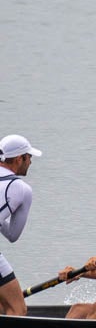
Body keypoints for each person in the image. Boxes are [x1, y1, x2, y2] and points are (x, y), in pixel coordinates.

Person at [0, 134, 41, 316]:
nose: (30, 162)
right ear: (19, 159)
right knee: (17, 308)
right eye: (29, 157)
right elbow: (13, 236)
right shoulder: (22, 189)